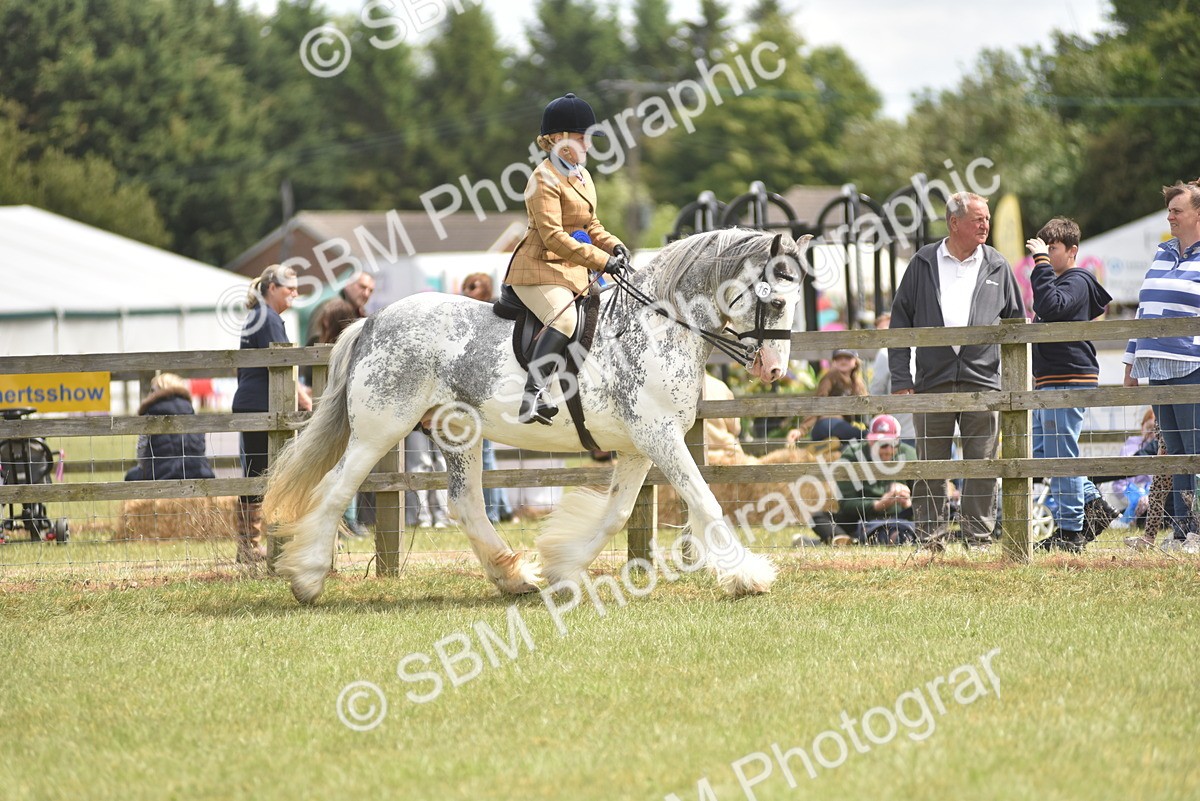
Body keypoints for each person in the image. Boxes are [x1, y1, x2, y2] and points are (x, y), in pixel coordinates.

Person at [889, 191, 1026, 548]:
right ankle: (930, 539)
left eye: (987, 219)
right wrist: (901, 377)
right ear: (954, 222)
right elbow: (900, 322)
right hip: (931, 383)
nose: (985, 225)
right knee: (931, 467)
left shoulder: (998, 264)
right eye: (977, 219)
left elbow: (1017, 325)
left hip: (984, 382)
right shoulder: (922, 262)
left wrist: (1013, 382)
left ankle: (978, 539)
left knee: (981, 466)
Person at [503, 92, 629, 425]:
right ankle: (532, 397)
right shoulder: (542, 179)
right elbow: (554, 237)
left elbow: (591, 225)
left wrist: (614, 246)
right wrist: (602, 262)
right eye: (582, 137)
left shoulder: (582, 175)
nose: (588, 144)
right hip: (538, 268)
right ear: (559, 138)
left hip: (570, 270)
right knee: (563, 320)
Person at [1024, 218, 1116, 552]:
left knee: (1061, 455)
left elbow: (1051, 307)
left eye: (1053, 248)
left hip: (1068, 377)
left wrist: (1040, 264)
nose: (1046, 253)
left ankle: (1070, 531)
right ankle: (1094, 506)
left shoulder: (1078, 279)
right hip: (1052, 379)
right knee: (1047, 454)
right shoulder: (1063, 281)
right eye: (1044, 247)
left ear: (1072, 250)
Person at [1122, 178, 1200, 552]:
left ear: (1197, 214)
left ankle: (1196, 530)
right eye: (1169, 210)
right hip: (1156, 368)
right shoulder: (1162, 253)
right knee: (1171, 452)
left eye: (1176, 210)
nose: (1169, 216)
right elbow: (1143, 310)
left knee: (1193, 452)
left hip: (1192, 365)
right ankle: (1182, 531)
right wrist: (1131, 359)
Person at [231, 264, 312, 564]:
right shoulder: (266, 317)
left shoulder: (262, 316)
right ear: (271, 288)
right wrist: (306, 401)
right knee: (260, 475)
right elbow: (282, 364)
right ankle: (252, 546)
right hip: (261, 405)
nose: (295, 292)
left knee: (259, 473)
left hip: (258, 402)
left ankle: (252, 544)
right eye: (288, 286)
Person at [805, 415, 918, 545]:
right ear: (870, 441)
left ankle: (850, 541)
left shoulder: (910, 455)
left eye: (892, 444)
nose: (887, 450)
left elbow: (924, 500)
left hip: (900, 517)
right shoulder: (852, 455)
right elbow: (846, 503)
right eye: (881, 444)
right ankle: (843, 539)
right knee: (818, 517)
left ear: (898, 441)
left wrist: (908, 504)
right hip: (860, 518)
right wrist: (877, 505)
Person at [461, 274, 517, 524]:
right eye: (465, 287)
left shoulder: (494, 312)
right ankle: (502, 509)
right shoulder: (468, 315)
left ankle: (494, 512)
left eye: (472, 287)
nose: (466, 291)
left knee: (485, 456)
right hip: (470, 396)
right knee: (484, 456)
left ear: (485, 290)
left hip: (486, 395)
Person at [124, 373, 215, 482]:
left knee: (131, 475)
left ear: (159, 390)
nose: (150, 394)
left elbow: (141, 455)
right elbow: (201, 450)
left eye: (152, 390)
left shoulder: (150, 414)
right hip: (199, 475)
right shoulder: (192, 412)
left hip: (160, 477)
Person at [787, 349, 868, 444]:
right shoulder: (831, 377)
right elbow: (818, 403)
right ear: (834, 362)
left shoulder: (857, 383)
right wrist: (802, 429)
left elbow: (867, 404)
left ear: (855, 362)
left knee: (846, 449)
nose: (843, 361)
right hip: (828, 424)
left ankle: (823, 456)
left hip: (840, 429)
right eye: (839, 358)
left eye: (847, 358)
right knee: (867, 436)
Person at [868, 313, 916, 448]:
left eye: (887, 331)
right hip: (904, 433)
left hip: (912, 432)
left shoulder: (885, 353)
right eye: (880, 333)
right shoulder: (885, 353)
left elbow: (876, 393)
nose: (884, 337)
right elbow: (876, 395)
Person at [307, 269, 375, 343]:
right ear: (348, 284)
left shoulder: (363, 316)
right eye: (362, 287)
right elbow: (314, 343)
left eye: (370, 290)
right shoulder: (329, 308)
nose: (366, 294)